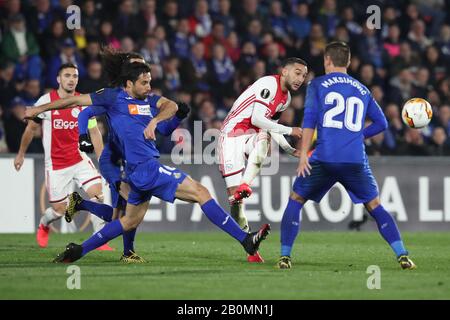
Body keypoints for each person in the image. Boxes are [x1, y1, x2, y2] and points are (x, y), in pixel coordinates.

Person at [25, 62, 270, 263]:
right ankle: (246, 241)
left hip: (138, 172)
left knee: (127, 220)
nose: (148, 85)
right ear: (129, 83)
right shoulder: (112, 98)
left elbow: (171, 105)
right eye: (144, 82)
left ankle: (79, 250)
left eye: (150, 81)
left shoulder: (149, 101)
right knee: (201, 192)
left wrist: (156, 121)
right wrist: (38, 109)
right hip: (142, 167)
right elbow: (75, 103)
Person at [277, 41, 416, 270]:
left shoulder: (317, 84)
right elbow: (381, 123)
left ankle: (285, 257)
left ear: (327, 61)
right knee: (375, 205)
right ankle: (402, 254)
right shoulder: (363, 89)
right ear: (349, 62)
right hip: (354, 160)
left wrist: (303, 155)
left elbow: (309, 119)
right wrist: (358, 135)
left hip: (324, 157)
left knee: (296, 199)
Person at [217, 57, 307, 262]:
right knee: (235, 202)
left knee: (263, 138)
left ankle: (245, 184)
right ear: (284, 71)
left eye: (303, 75)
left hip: (251, 136)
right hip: (230, 138)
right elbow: (258, 119)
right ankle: (251, 249)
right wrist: (290, 130)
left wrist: (287, 147)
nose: (300, 78)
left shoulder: (286, 100)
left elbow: (267, 125)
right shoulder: (268, 83)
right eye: (297, 72)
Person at [14, 63, 111, 250]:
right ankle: (44, 224)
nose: (71, 79)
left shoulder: (83, 101)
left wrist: (103, 159)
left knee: (99, 195)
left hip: (79, 158)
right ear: (59, 79)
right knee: (59, 211)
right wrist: (20, 154)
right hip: (56, 165)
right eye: (67, 75)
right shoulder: (45, 100)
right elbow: (31, 129)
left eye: (74, 76)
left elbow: (95, 132)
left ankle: (99, 239)